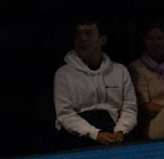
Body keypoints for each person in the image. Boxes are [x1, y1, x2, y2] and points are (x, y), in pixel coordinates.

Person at [53, 14, 138, 149]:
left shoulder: (120, 70)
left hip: (114, 129)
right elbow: (65, 115)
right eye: (78, 34)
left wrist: (121, 130)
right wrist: (95, 134)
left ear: (102, 39)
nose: (82, 39)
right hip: (79, 134)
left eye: (88, 33)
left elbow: (130, 108)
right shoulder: (63, 74)